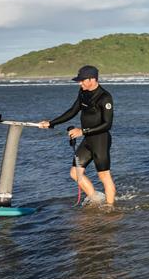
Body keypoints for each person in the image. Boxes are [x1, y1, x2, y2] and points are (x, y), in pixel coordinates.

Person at [40, 65, 116, 206]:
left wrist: (82, 131)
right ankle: (95, 199)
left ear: (92, 79)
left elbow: (107, 124)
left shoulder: (105, 97)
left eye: (82, 80)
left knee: (104, 176)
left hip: (101, 140)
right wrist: (52, 123)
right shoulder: (83, 92)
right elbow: (72, 111)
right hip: (88, 140)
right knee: (75, 173)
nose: (80, 83)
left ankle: (110, 209)